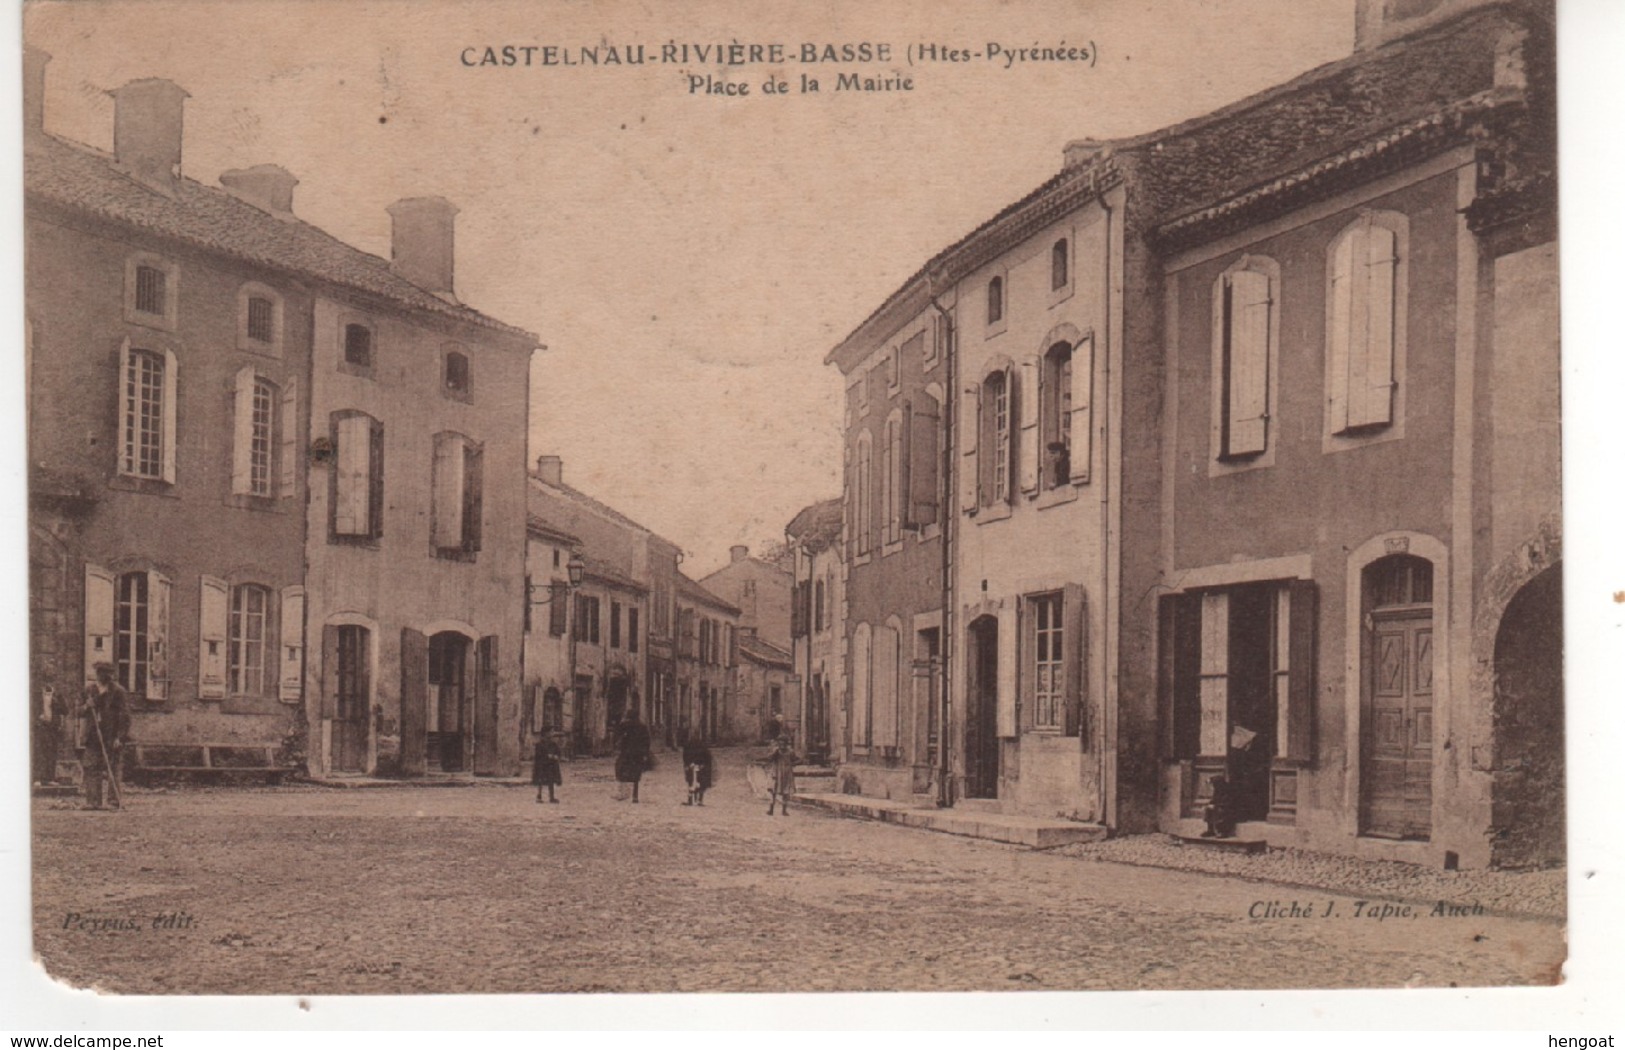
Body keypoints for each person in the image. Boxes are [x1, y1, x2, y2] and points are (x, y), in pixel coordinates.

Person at [81, 662, 131, 811]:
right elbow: (78, 711)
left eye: (108, 673)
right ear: (97, 674)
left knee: (113, 769)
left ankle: (113, 802)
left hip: (111, 735)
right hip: (93, 735)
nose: (105, 676)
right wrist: (86, 706)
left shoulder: (118, 692)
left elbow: (125, 716)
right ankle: (93, 801)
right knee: (91, 767)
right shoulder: (89, 690)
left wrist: (119, 737)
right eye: (102, 673)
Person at [614, 710, 653, 803]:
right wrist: (645, 753)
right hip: (638, 754)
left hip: (626, 753)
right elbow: (647, 741)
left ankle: (622, 792)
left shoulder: (625, 725)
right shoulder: (642, 726)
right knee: (636, 775)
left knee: (621, 770)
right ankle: (635, 796)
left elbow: (617, 735)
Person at [761, 735, 797, 817]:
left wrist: (792, 764)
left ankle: (784, 810)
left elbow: (797, 759)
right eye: (780, 743)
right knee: (773, 791)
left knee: (786, 791)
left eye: (783, 743)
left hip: (787, 773)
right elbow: (770, 758)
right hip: (777, 773)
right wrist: (774, 752)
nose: (782, 745)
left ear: (786, 743)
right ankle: (771, 809)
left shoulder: (790, 752)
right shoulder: (776, 751)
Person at [682, 733, 714, 806]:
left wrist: (701, 765)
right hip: (695, 767)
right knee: (694, 783)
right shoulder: (689, 746)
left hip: (698, 767)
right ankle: (694, 800)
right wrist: (689, 764)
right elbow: (685, 757)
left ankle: (696, 800)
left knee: (696, 783)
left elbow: (707, 758)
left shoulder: (700, 747)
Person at [1202, 775, 1239, 839]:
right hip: (1220, 807)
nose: (1212, 787)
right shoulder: (1218, 791)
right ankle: (1211, 830)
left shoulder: (1228, 791)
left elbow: (1228, 803)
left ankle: (1223, 832)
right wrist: (1210, 804)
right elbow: (1214, 800)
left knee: (1220, 811)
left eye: (1213, 784)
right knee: (1208, 809)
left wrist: (1216, 806)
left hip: (1229, 810)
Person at [533, 731, 563, 804]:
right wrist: (547, 756)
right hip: (542, 765)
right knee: (540, 781)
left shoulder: (553, 744)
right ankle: (539, 796)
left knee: (551, 781)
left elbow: (558, 752)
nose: (551, 735)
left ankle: (551, 797)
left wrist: (556, 756)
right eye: (549, 734)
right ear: (544, 735)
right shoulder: (539, 744)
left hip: (551, 765)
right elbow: (538, 755)